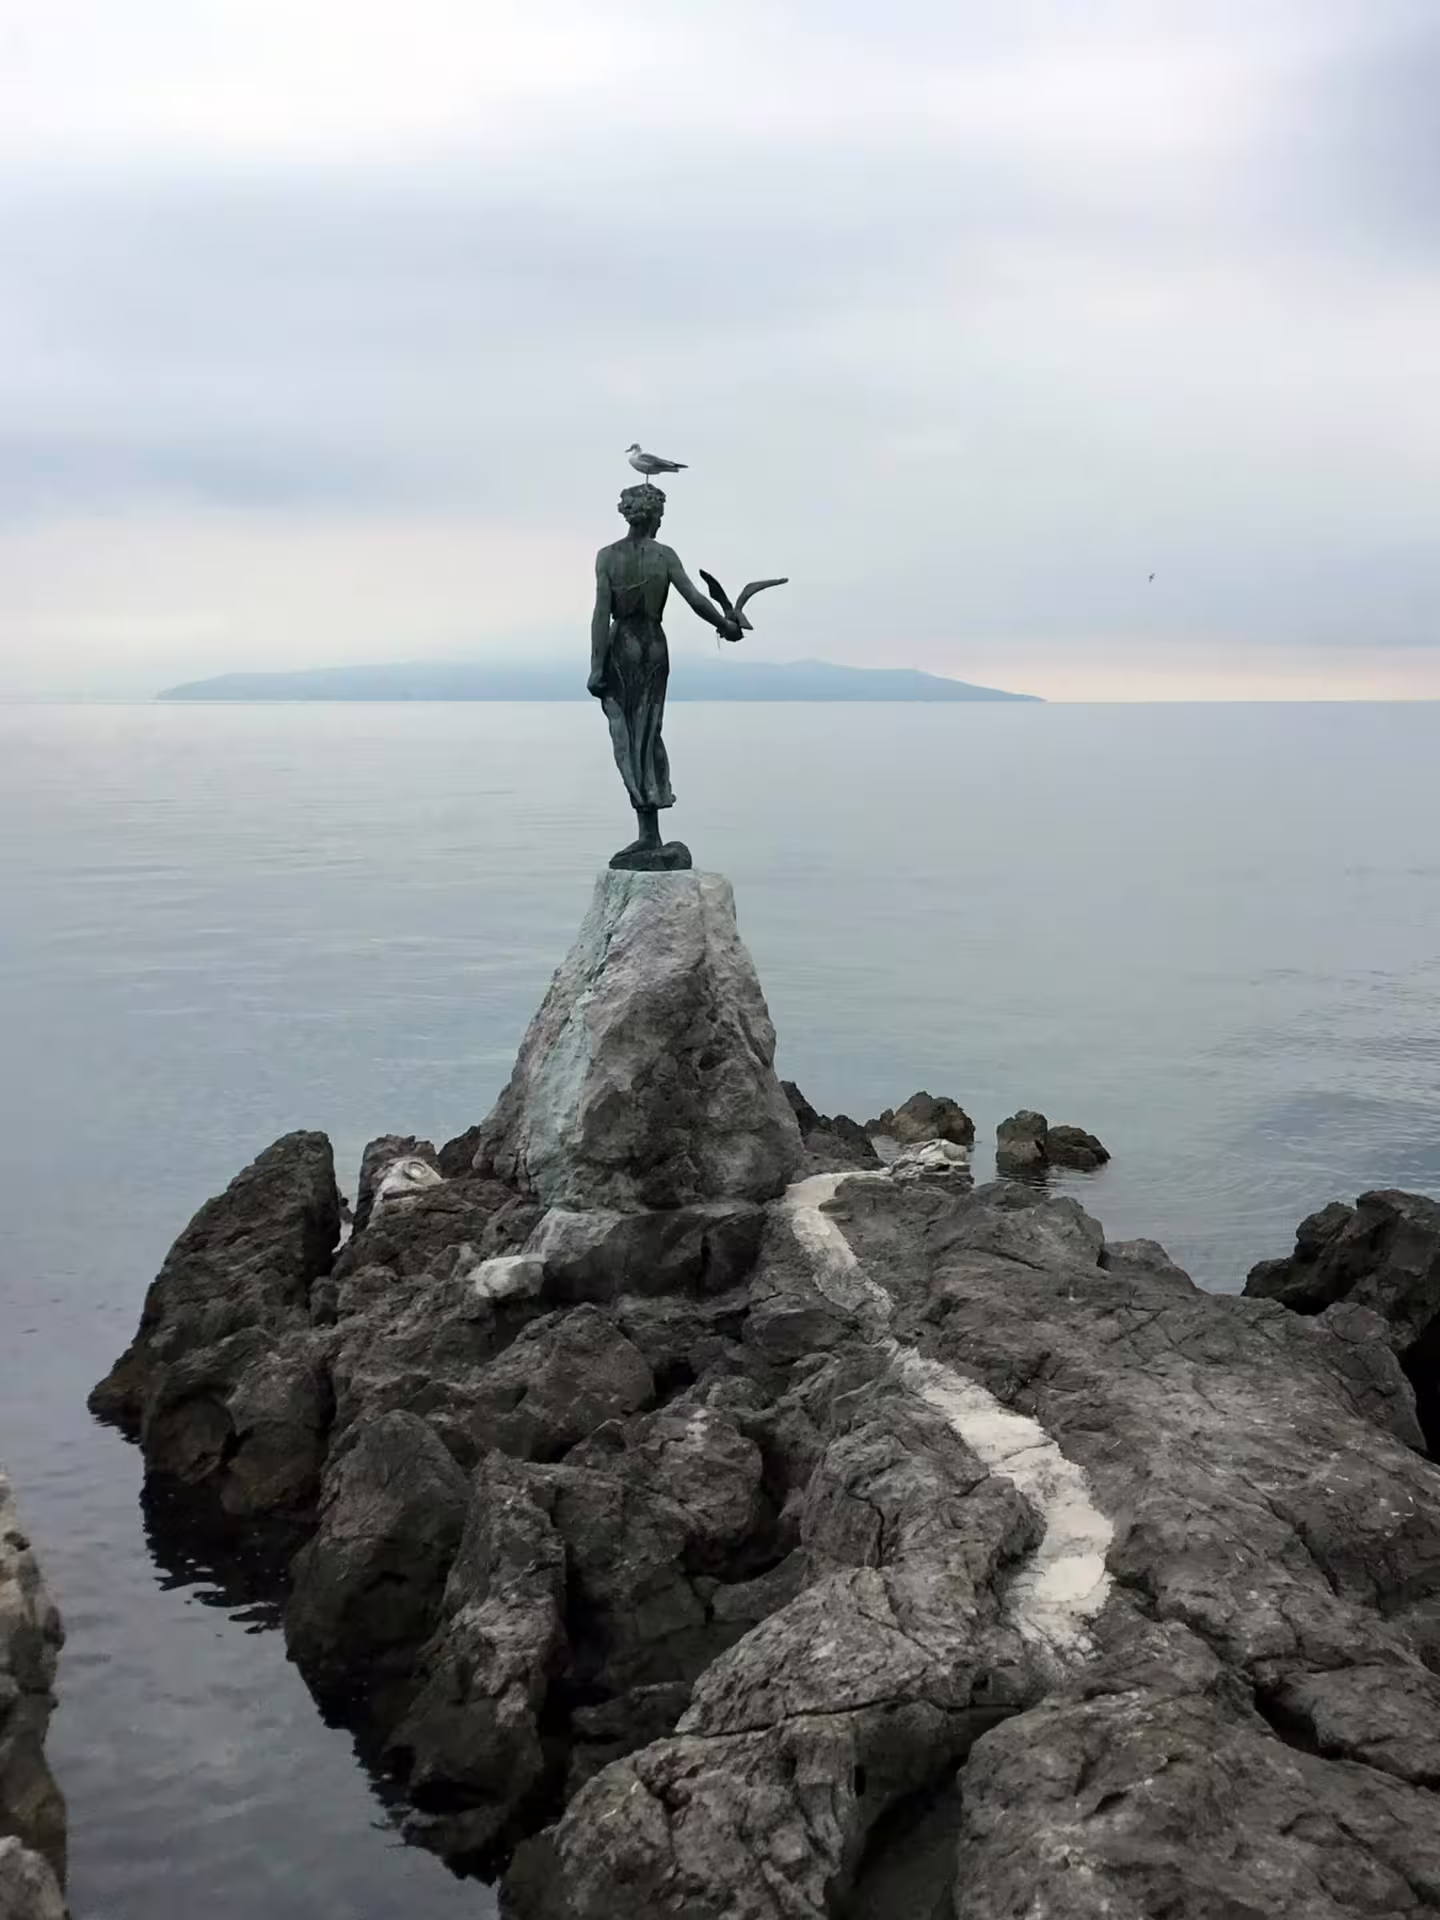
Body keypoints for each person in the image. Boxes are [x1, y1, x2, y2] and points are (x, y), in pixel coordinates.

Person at [589, 483, 740, 863]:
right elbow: (695, 598)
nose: (660, 522)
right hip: (653, 645)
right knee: (648, 731)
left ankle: (648, 832)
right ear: (653, 515)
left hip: (622, 645)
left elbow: (601, 612)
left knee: (629, 735)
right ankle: (649, 831)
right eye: (660, 515)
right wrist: (725, 624)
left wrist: (596, 666)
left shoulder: (607, 556)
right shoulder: (664, 555)